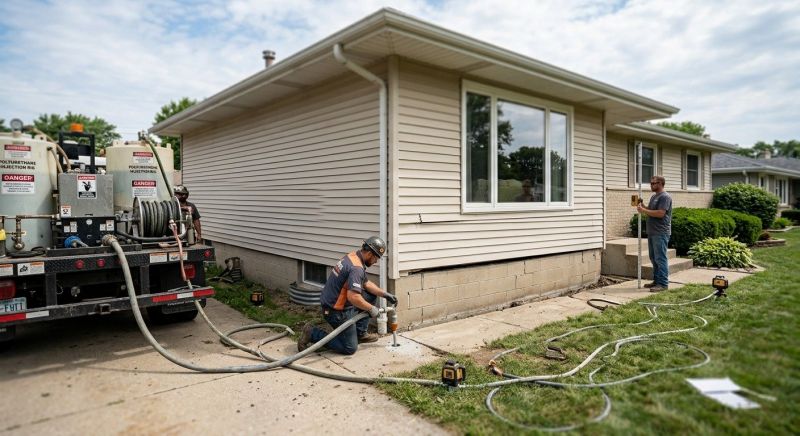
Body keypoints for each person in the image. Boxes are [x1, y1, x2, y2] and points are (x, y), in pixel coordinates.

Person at [297, 236, 398, 355]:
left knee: (370, 295)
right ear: (370, 254)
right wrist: (371, 309)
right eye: (376, 258)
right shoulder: (356, 268)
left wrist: (385, 294)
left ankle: (360, 334)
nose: (376, 261)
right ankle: (312, 333)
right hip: (335, 311)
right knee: (349, 347)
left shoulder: (353, 257)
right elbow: (353, 297)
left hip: (337, 303)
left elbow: (366, 283)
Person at [636, 175, 673, 292]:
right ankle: (657, 281)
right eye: (651, 183)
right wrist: (643, 206)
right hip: (652, 232)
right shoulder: (654, 197)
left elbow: (661, 213)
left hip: (661, 232)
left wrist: (644, 210)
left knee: (660, 258)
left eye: (654, 183)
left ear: (661, 183)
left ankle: (663, 284)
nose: (651, 185)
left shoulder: (665, 197)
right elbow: (651, 211)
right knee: (653, 258)